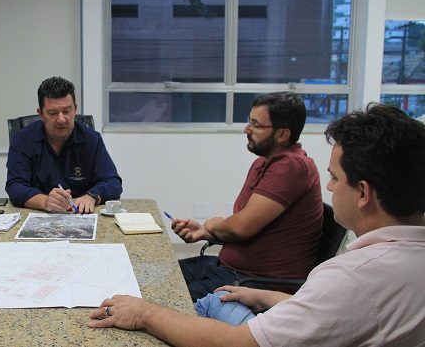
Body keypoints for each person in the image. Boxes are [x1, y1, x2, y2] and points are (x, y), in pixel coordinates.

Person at [88, 103, 425, 346]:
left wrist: (146, 315)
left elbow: (241, 342)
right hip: (250, 278)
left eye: (336, 178)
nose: (332, 187)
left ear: (364, 192)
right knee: (157, 281)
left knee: (172, 303)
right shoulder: (400, 264)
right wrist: (270, 298)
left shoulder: (354, 276)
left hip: (244, 277)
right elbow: (337, 311)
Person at [172, 92, 323, 300]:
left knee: (161, 297)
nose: (247, 130)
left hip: (255, 282)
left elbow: (240, 227)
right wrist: (205, 231)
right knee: (153, 276)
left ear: (282, 134)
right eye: (249, 122)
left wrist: (212, 225)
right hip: (228, 269)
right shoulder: (263, 162)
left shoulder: (291, 167)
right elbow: (242, 225)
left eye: (256, 125)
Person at [5, 76, 122, 214]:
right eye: (53, 113)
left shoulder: (92, 140)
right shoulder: (22, 140)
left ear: (75, 109)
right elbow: (15, 185)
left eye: (67, 111)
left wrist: (91, 197)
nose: (61, 119)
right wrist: (44, 201)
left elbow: (113, 182)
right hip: (39, 215)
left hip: (80, 215)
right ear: (41, 114)